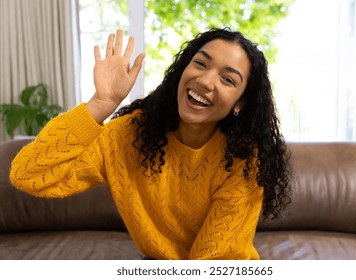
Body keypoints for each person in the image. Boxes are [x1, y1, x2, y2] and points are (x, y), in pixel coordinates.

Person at [10, 27, 291, 260]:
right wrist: (100, 104)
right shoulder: (128, 136)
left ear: (239, 103)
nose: (205, 81)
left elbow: (209, 264)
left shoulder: (245, 160)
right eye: (201, 63)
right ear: (183, 69)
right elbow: (28, 174)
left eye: (228, 79)